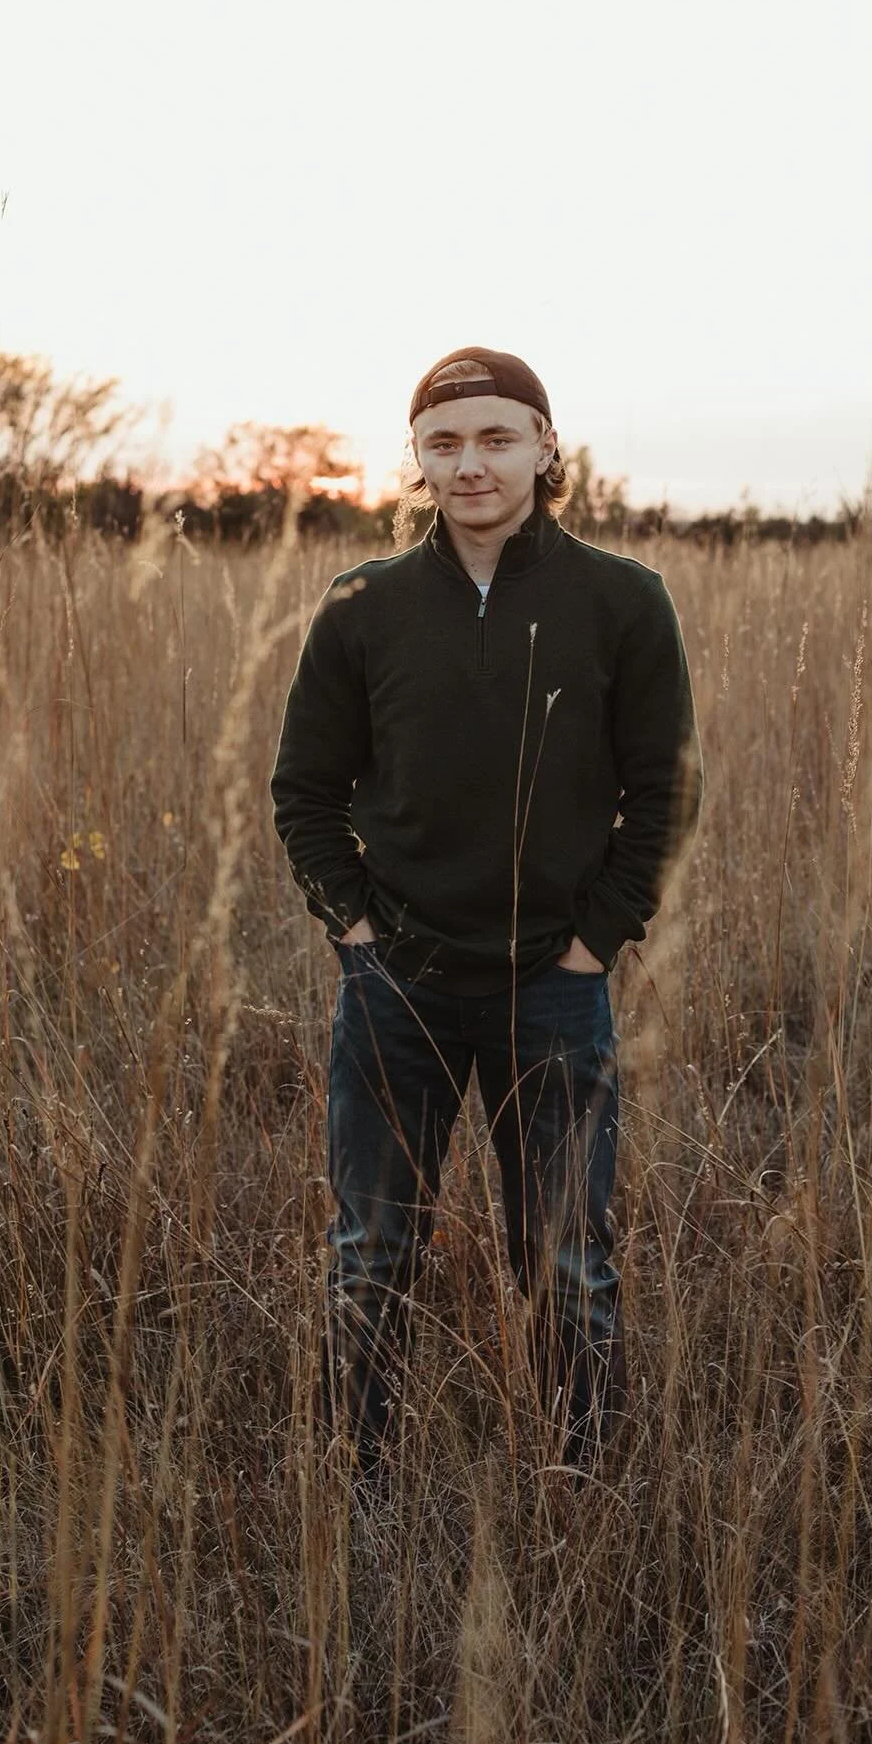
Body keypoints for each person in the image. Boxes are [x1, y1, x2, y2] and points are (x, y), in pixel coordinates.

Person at [270, 346, 701, 1474]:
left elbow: (665, 793)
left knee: (565, 1260)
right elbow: (303, 793)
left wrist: (590, 946)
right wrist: (356, 938)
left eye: (499, 438)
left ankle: (581, 1485)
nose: (472, 465)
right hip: (395, 987)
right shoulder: (362, 605)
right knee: (372, 1249)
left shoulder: (621, 601)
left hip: (550, 992)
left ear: (548, 448)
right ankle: (356, 1486)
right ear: (415, 457)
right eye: (446, 442)